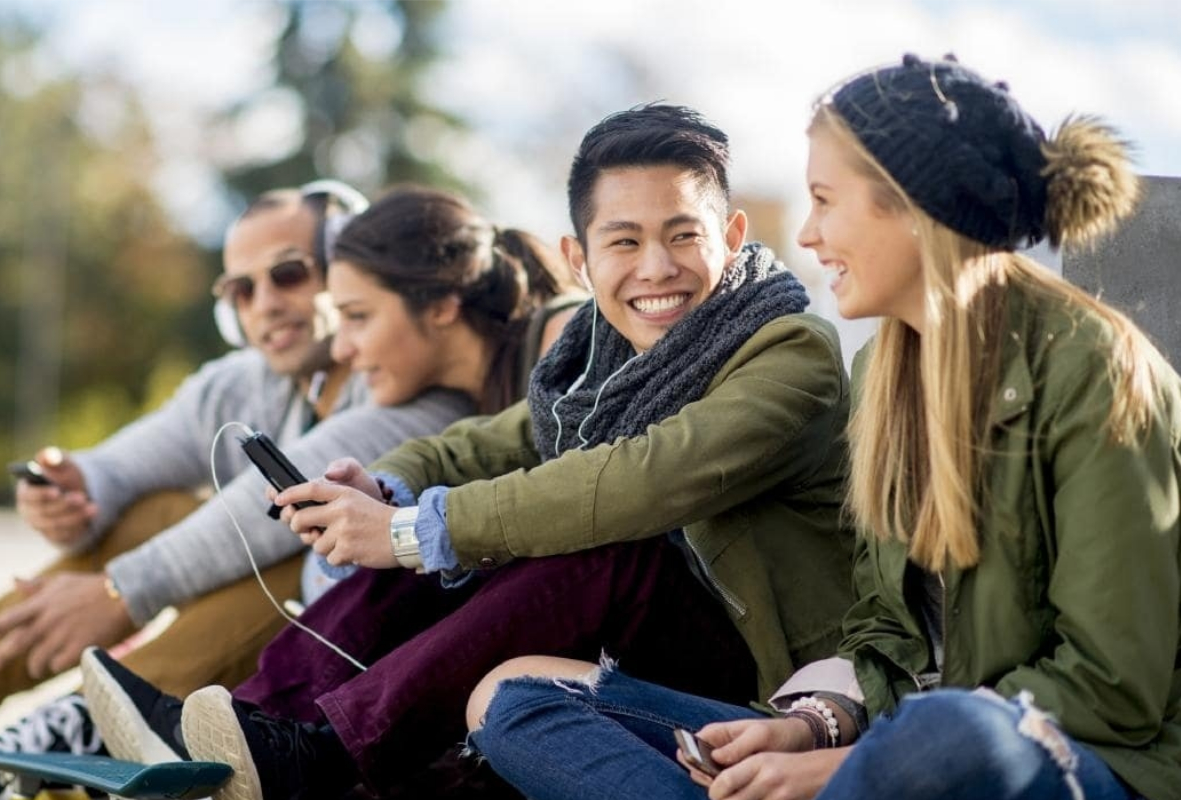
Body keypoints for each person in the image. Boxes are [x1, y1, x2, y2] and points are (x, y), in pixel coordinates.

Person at [81, 103, 856, 800]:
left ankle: (318, 757)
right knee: (434, 524)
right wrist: (388, 487)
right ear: (581, 258)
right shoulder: (601, 355)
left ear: (732, 235)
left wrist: (411, 531)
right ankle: (251, 726)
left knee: (584, 542)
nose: (657, 268)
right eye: (625, 241)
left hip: (768, 685)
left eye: (683, 234)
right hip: (651, 640)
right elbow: (489, 442)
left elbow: (639, 481)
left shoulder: (791, 352)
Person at [465, 54, 1181, 800]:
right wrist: (815, 724)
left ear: (914, 206)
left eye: (825, 200)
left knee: (950, 737)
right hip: (895, 745)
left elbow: (1111, 690)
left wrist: (833, 768)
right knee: (523, 699)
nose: (806, 235)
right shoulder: (882, 368)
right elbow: (883, 628)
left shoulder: (1095, 371)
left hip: (1066, 758)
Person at [0, 184, 481, 765]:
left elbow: (268, 501)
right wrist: (76, 493)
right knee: (155, 508)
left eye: (288, 274)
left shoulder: (412, 374)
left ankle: (88, 724)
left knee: (291, 539)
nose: (263, 304)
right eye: (241, 290)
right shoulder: (244, 380)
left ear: (348, 268)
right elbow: (127, 462)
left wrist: (123, 592)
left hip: (379, 647)